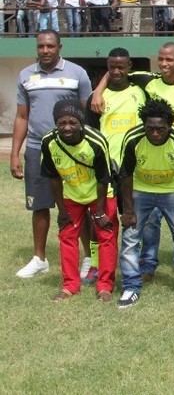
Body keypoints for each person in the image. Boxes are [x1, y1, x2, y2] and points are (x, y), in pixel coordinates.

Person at [91, 42, 174, 279]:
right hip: (151, 158)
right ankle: (148, 262)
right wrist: (97, 91)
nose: (164, 64)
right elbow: (115, 71)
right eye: (161, 59)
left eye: (170, 60)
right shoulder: (148, 80)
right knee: (151, 219)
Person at [13, 31, 92, 278]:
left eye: (50, 46)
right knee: (40, 205)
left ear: (59, 46)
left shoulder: (77, 73)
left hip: (70, 150)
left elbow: (87, 113)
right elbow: (22, 116)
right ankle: (39, 258)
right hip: (38, 148)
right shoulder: (26, 75)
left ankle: (89, 257)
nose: (45, 50)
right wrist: (15, 153)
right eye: (41, 46)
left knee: (78, 204)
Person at [118, 99, 174, 308]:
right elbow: (126, 175)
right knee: (131, 238)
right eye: (150, 128)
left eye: (161, 129)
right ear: (143, 125)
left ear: (170, 126)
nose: (155, 133)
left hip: (172, 191)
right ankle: (131, 286)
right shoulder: (133, 139)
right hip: (141, 191)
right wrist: (128, 210)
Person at [41, 100, 118, 302]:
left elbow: (104, 178)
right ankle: (70, 286)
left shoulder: (96, 141)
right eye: (61, 123)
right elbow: (53, 177)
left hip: (99, 194)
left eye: (72, 122)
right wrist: (62, 210)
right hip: (71, 194)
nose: (67, 127)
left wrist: (100, 211)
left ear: (81, 122)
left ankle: (105, 286)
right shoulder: (49, 142)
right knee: (67, 236)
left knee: (106, 236)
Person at [84, 47, 147, 283]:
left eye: (122, 66)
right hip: (106, 168)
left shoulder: (141, 92)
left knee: (133, 217)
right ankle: (95, 264)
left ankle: (133, 262)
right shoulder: (96, 98)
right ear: (107, 69)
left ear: (130, 67)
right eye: (112, 67)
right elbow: (89, 134)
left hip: (134, 168)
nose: (117, 71)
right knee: (100, 218)